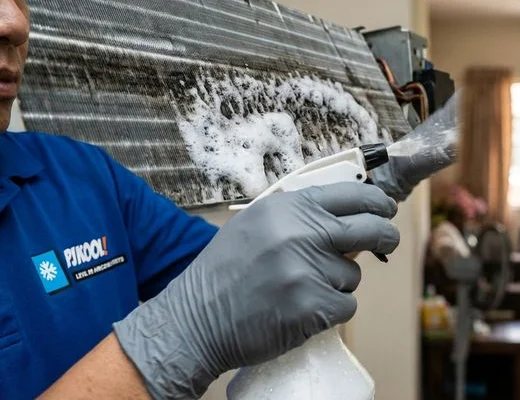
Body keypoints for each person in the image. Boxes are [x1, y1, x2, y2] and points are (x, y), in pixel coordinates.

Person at [0, 0, 452, 398]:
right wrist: (180, 341)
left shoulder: (78, 175)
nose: (15, 22)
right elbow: (209, 307)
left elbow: (262, 266)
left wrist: (380, 177)